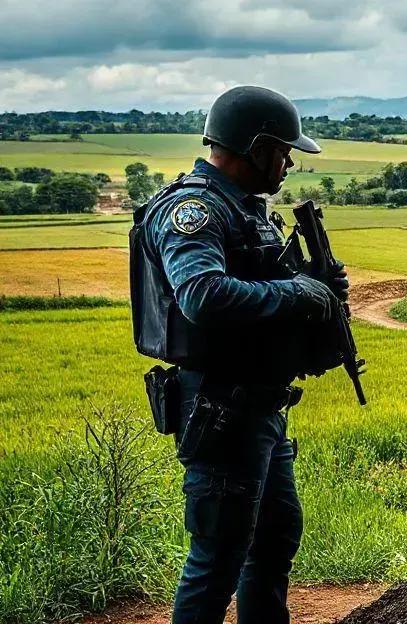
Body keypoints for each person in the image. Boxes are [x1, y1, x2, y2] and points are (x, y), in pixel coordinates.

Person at [129, 85, 346, 624]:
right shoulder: (195, 211)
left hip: (263, 408)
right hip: (223, 410)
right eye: (282, 150)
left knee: (274, 541)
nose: (289, 161)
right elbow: (202, 294)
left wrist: (312, 281)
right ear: (256, 148)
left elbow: (258, 281)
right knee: (219, 556)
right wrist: (298, 294)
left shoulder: (245, 210)